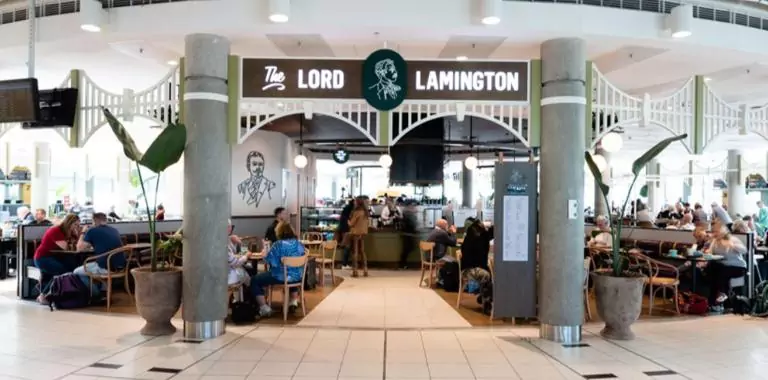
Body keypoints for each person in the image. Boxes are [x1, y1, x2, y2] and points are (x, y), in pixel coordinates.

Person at [249, 222, 305, 317]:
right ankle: (293, 301)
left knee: (254, 280)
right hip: (297, 277)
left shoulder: (278, 244)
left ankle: (264, 308)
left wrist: (264, 255)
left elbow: (271, 262)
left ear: (279, 232)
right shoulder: (299, 244)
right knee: (291, 271)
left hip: (282, 277)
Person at [74, 212, 125, 296]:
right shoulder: (114, 230)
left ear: (94, 221)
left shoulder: (92, 230)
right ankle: (104, 292)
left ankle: (96, 294)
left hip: (106, 268)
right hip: (120, 267)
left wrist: (83, 232)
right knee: (98, 263)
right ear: (105, 220)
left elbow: (79, 248)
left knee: (76, 272)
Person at [34, 214, 81, 302]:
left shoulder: (69, 232)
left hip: (55, 258)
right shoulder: (56, 230)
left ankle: (48, 293)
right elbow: (66, 247)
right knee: (63, 272)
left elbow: (77, 246)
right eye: (75, 225)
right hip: (43, 258)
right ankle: (43, 296)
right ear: (68, 223)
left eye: (78, 225)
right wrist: (78, 235)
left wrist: (77, 234)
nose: (77, 227)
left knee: (71, 267)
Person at [705, 226, 747, 308]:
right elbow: (710, 252)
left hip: (738, 266)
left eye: (717, 232)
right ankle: (713, 301)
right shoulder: (715, 241)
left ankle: (722, 294)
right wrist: (707, 252)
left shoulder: (732, 239)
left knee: (721, 271)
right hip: (722, 266)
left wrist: (732, 245)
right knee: (712, 268)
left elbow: (744, 250)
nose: (715, 234)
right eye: (714, 232)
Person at [348, 197, 370, 277]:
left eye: (355, 202)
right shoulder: (365, 212)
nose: (354, 203)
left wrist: (348, 221)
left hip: (356, 233)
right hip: (363, 233)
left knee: (355, 252)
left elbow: (351, 224)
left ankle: (355, 271)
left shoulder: (356, 212)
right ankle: (365, 270)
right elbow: (367, 223)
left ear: (357, 203)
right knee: (363, 251)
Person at [399, 202, 418, 269]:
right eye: (412, 206)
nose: (414, 207)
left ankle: (403, 264)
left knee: (407, 249)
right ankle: (402, 264)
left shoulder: (405, 212)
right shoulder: (408, 213)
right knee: (408, 248)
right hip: (408, 234)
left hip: (407, 233)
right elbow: (412, 224)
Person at [337, 199, 354, 270]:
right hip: (346, 229)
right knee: (347, 246)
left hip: (343, 229)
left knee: (347, 246)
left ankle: (345, 263)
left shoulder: (346, 209)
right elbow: (349, 221)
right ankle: (344, 264)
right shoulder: (350, 210)